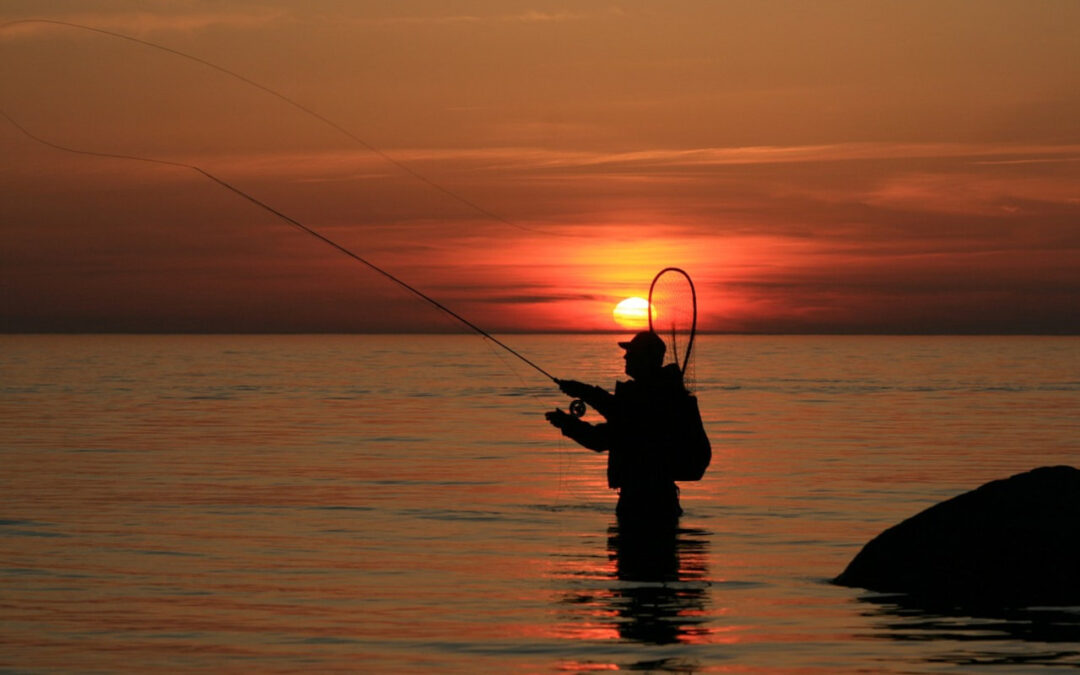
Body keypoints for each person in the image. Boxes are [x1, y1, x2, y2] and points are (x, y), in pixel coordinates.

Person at [546, 330, 710, 527]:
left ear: (646, 359)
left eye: (631, 353)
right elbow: (616, 410)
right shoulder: (660, 394)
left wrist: (568, 424)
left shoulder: (651, 400)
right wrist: (581, 390)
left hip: (642, 504)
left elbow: (604, 438)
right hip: (660, 500)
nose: (625, 356)